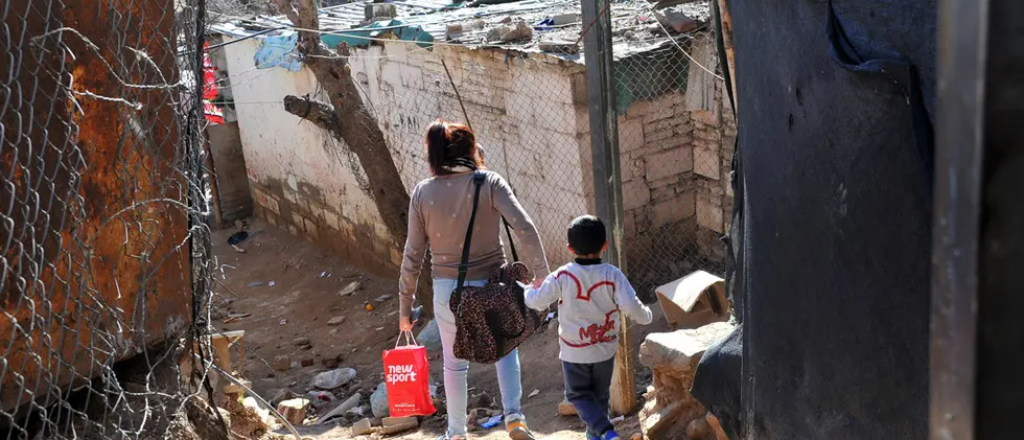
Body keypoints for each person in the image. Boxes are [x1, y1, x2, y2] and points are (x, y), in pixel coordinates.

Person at [398, 120, 550, 440]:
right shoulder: (489, 182)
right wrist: (542, 276)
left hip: (449, 292)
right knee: (505, 349)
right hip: (495, 286)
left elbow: (413, 255)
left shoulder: (423, 193)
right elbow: (525, 227)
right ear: (471, 149)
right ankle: (514, 418)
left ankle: (456, 432)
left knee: (454, 364)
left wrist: (405, 307)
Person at [523, 215, 653, 440]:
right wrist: (647, 316)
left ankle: (607, 433)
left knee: (578, 395)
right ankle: (596, 435)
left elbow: (536, 301)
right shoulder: (613, 275)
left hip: (574, 353)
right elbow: (633, 307)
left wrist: (528, 289)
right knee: (599, 397)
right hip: (604, 350)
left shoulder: (563, 275)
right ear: (605, 245)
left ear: (570, 248)